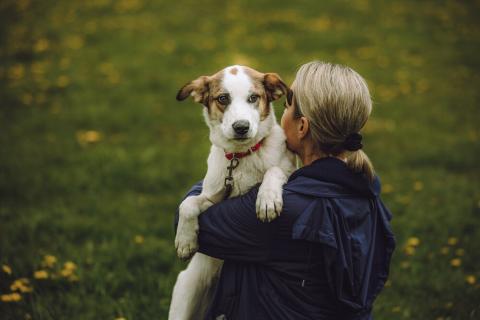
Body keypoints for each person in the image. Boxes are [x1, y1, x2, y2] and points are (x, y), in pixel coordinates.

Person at [176, 61, 396, 320]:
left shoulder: (285, 209)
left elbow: (200, 229)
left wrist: (228, 159)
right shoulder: (365, 189)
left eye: (286, 107)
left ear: (302, 127)